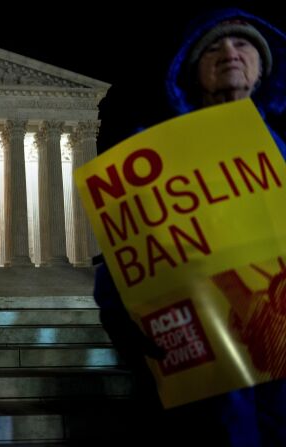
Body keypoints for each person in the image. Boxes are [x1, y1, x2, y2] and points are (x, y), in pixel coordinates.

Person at [94, 7, 286, 446]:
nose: (230, 52)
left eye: (243, 43)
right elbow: (125, 253)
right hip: (204, 369)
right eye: (213, 47)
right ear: (191, 70)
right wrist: (127, 323)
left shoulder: (282, 152)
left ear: (262, 67)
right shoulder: (154, 157)